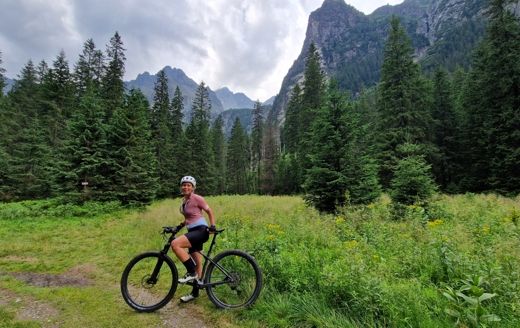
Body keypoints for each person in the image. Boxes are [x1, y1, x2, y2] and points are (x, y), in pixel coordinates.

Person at [171, 175, 216, 303]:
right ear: (181, 187)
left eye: (188, 185)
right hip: (193, 231)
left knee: (175, 244)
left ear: (193, 188)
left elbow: (209, 210)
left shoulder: (197, 198)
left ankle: (191, 272)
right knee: (198, 264)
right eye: (184, 185)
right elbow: (189, 218)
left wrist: (212, 225)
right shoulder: (185, 202)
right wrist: (178, 227)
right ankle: (195, 293)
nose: (185, 187)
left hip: (201, 231)